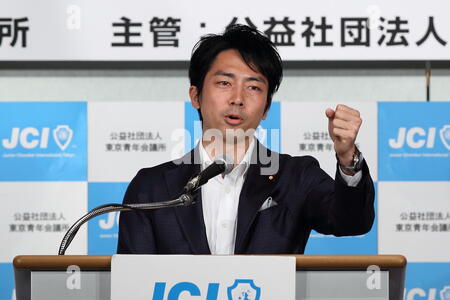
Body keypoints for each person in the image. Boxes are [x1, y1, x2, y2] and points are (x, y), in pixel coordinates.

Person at [117, 25, 375, 255]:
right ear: (195, 96)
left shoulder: (296, 177)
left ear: (265, 109)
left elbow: (351, 222)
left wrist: (347, 157)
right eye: (224, 83)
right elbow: (134, 283)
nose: (238, 98)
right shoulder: (150, 188)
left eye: (253, 87)